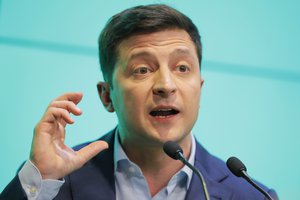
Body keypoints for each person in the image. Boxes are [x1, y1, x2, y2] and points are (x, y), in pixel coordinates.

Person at [0, 4, 278, 200]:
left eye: (182, 68)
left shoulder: (251, 195)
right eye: (142, 70)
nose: (166, 85)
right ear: (107, 96)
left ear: (200, 89)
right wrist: (43, 178)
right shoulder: (53, 184)